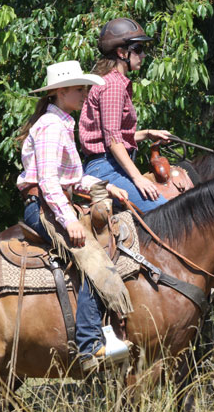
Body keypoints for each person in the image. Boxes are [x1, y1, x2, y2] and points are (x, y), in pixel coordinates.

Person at [16, 60, 129, 374]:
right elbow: (49, 182)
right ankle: (90, 346)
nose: (84, 93)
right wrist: (69, 221)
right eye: (79, 88)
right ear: (60, 91)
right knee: (93, 260)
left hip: (53, 204)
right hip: (44, 209)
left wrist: (106, 187)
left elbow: (72, 178)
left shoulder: (60, 123)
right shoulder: (51, 127)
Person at [79, 17, 173, 212]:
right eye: (138, 49)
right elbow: (113, 141)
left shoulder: (112, 82)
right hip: (107, 169)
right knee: (166, 213)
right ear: (121, 53)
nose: (144, 55)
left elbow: (111, 137)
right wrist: (138, 177)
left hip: (108, 164)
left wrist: (147, 134)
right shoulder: (113, 85)